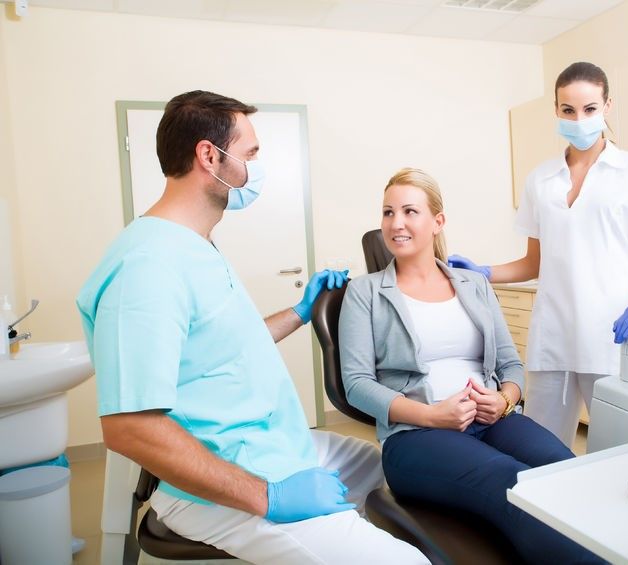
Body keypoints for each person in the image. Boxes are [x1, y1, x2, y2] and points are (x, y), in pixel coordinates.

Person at [76, 91, 428, 565]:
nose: (255, 168)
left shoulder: (194, 245)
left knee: (406, 472)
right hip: (219, 481)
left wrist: (300, 311)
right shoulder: (147, 267)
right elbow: (130, 428)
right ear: (209, 156)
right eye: (250, 154)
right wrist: (269, 496)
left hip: (270, 443)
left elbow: (223, 349)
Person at [339, 168, 602, 564]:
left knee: (566, 470)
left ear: (437, 221)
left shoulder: (473, 284)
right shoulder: (365, 292)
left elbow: (511, 365)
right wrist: (432, 415)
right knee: (513, 483)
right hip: (416, 436)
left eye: (410, 211)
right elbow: (357, 384)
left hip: (491, 421)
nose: (396, 223)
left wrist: (505, 399)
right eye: (388, 212)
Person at [448, 61, 628, 447]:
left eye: (590, 109)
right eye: (569, 110)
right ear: (557, 111)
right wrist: (483, 271)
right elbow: (533, 262)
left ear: (607, 106)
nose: (579, 119)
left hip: (612, 337)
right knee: (539, 449)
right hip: (553, 338)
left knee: (615, 450)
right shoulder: (541, 179)